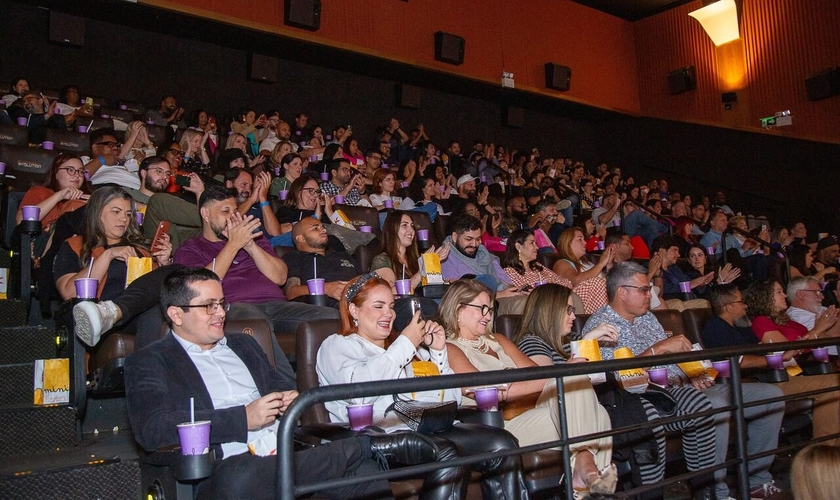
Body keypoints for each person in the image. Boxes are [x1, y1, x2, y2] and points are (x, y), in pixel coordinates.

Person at [125, 267, 427, 500]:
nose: (220, 313)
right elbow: (153, 429)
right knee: (241, 474)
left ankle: (359, 451)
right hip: (222, 466)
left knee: (361, 472)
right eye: (208, 306)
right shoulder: (150, 360)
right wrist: (243, 418)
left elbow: (282, 388)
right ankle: (365, 445)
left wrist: (288, 399)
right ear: (176, 314)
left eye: (221, 303)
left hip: (281, 449)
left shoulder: (243, 345)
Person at [581, 262, 785, 500]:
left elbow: (675, 358)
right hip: (652, 400)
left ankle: (757, 479)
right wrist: (658, 349)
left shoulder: (647, 318)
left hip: (688, 386)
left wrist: (693, 373)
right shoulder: (600, 326)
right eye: (644, 289)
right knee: (714, 403)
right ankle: (713, 492)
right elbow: (615, 377)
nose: (651, 295)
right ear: (622, 292)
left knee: (771, 396)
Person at [317, 273, 530, 499]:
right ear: (354, 311)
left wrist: (438, 354)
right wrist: (405, 342)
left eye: (391, 306)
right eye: (378, 306)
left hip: (422, 430)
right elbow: (360, 394)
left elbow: (452, 400)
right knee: (447, 453)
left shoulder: (410, 351)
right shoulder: (338, 345)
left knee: (501, 443)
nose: (388, 313)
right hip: (371, 439)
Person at [442, 279, 616, 499]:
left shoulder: (500, 340)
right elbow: (485, 390)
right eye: (481, 308)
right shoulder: (449, 348)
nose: (488, 315)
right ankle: (586, 476)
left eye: (490, 308)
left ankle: (585, 475)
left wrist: (559, 374)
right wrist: (563, 372)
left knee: (593, 410)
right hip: (497, 426)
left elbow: (538, 375)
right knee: (590, 408)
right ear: (458, 310)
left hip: (531, 410)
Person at [513, 284, 668, 489]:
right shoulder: (532, 341)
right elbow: (548, 382)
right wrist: (587, 342)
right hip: (548, 408)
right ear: (549, 311)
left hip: (588, 406)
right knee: (589, 397)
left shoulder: (573, 340)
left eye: (573, 310)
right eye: (568, 310)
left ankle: (595, 481)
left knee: (623, 412)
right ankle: (589, 473)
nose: (573, 317)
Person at [172, 184, 339, 364]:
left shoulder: (255, 240)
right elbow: (201, 287)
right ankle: (283, 387)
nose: (232, 217)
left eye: (235, 211)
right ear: (205, 214)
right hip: (235, 306)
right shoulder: (191, 248)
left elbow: (280, 277)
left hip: (276, 305)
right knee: (258, 322)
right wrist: (233, 245)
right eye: (225, 211)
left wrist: (250, 245)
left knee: (332, 317)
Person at [702, 283, 840, 447]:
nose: (745, 305)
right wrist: (778, 357)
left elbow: (765, 350)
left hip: (778, 375)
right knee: (833, 384)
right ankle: (826, 452)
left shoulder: (740, 328)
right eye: (740, 302)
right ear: (728, 307)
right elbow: (740, 360)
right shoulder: (715, 328)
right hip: (764, 381)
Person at [53, 186, 174, 347]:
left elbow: (155, 290)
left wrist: (163, 263)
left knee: (174, 272)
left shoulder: (140, 250)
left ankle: (114, 311)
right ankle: (105, 314)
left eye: (128, 214)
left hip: (141, 315)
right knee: (155, 315)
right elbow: (69, 293)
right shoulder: (74, 245)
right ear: (97, 214)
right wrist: (107, 256)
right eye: (116, 212)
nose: (124, 219)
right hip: (99, 323)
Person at [741, 279, 840, 446]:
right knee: (834, 385)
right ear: (765, 297)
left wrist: (818, 331)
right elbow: (787, 352)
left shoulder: (788, 322)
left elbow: (820, 340)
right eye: (779, 292)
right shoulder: (761, 321)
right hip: (780, 378)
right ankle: (825, 451)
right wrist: (816, 331)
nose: (785, 295)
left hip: (801, 372)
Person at [440, 215, 528, 315]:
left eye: (478, 239)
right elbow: (456, 292)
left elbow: (507, 283)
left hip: (503, 297)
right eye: (469, 239)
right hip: (478, 306)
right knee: (524, 305)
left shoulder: (486, 256)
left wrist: (521, 291)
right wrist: (497, 295)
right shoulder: (445, 257)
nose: (474, 244)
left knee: (539, 301)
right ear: (455, 237)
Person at [281, 217, 359, 306]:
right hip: (327, 307)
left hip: (361, 303)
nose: (323, 230)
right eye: (315, 228)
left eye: (323, 227)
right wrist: (325, 289)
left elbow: (365, 281)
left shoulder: (344, 256)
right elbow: (291, 292)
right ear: (301, 238)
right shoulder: (294, 257)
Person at [370, 212, 449, 293]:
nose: (411, 230)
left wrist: (432, 264)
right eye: (404, 225)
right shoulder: (381, 260)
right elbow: (388, 293)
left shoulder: (416, 259)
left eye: (412, 226)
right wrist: (420, 272)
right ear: (392, 229)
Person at [16, 153, 89, 231]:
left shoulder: (87, 199)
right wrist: (59, 196)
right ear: (56, 173)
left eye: (81, 171)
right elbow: (21, 221)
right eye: (70, 170)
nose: (77, 175)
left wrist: (94, 206)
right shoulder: (40, 192)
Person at [552, 227, 611, 314]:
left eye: (584, 239)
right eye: (580, 239)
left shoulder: (587, 263)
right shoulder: (561, 263)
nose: (585, 242)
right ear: (568, 243)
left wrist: (609, 264)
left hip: (602, 299)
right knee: (598, 283)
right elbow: (576, 281)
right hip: (580, 302)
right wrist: (601, 264)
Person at [500, 229, 573, 291]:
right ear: (518, 246)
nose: (537, 247)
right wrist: (551, 283)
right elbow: (527, 292)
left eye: (536, 243)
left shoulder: (537, 266)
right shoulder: (511, 271)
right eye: (532, 243)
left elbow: (567, 283)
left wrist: (550, 284)